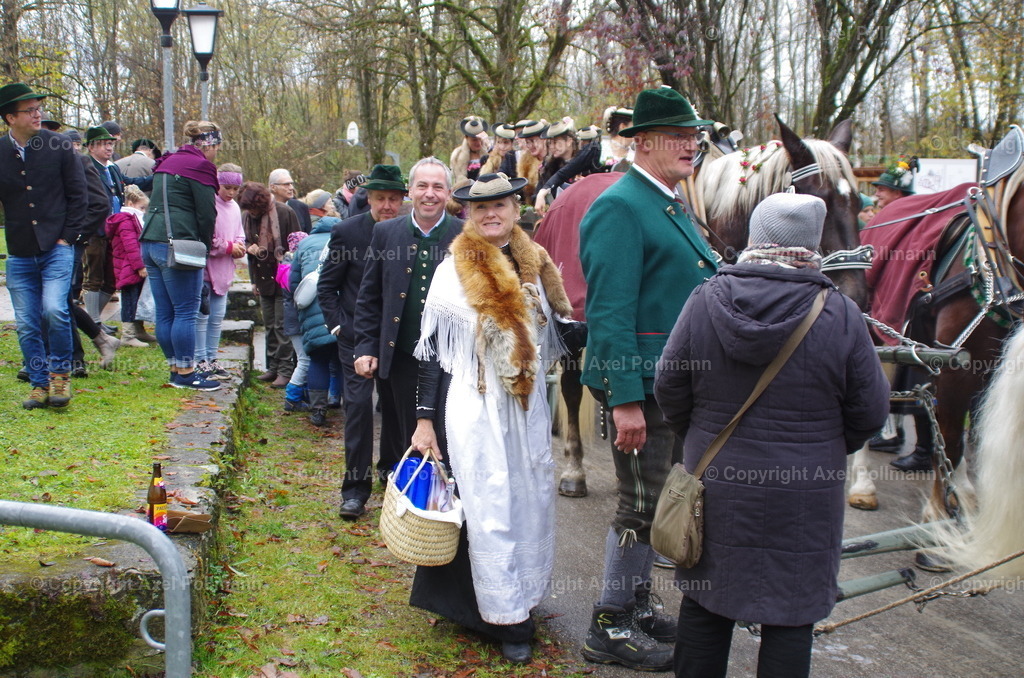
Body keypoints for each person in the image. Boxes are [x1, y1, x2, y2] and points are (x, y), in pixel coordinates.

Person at [654, 192, 889, 678]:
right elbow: (869, 412)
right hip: (806, 493)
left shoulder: (705, 298)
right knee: (792, 615)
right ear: (813, 243)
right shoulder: (840, 314)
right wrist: (820, 449)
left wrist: (700, 436)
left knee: (705, 601)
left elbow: (669, 385)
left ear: (755, 237)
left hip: (715, 482)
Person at [578, 87, 719, 671]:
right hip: (641, 387)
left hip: (671, 386)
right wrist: (625, 402)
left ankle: (633, 603)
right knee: (639, 504)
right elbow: (608, 311)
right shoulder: (621, 206)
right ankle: (608, 623)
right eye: (678, 137)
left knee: (658, 500)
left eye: (694, 136)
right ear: (643, 143)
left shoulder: (665, 202)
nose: (692, 145)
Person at [408, 172, 574, 664]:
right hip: (475, 402)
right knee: (490, 502)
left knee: (530, 497)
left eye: (500, 204)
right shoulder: (452, 270)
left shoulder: (534, 262)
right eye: (481, 208)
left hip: (525, 406)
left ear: (515, 207)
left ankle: (522, 596)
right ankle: (504, 619)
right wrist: (424, 420)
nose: (491, 214)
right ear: (468, 215)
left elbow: (551, 335)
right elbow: (431, 353)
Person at [353, 157, 462, 479]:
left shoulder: (465, 235)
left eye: (438, 187)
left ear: (449, 192)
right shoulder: (386, 232)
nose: (430, 194)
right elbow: (369, 296)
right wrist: (365, 346)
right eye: (423, 186)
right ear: (411, 191)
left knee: (445, 432)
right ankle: (405, 499)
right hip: (399, 354)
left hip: (450, 360)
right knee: (403, 430)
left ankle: (445, 503)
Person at [317, 165, 406, 518]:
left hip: (397, 340)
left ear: (402, 200)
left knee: (396, 411)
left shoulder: (408, 233)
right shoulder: (347, 232)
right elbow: (327, 286)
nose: (386, 205)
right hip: (355, 339)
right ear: (367, 198)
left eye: (393, 199)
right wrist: (339, 327)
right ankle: (354, 489)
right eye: (380, 198)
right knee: (358, 411)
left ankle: (391, 470)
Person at [0, 82, 87, 408]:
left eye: (39, 108)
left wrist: (68, 237)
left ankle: (60, 377)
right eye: (30, 110)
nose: (38, 114)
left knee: (54, 309)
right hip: (20, 251)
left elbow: (79, 195)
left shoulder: (60, 145)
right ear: (11, 117)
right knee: (26, 322)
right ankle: (38, 384)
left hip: (57, 247)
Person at [139, 119, 222, 391]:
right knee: (186, 311)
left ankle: (176, 369)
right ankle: (187, 374)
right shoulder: (201, 166)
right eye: (217, 147)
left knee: (165, 311)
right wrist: (206, 247)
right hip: (178, 246)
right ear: (209, 144)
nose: (216, 153)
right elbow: (207, 214)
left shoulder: (169, 160)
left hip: (150, 241)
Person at [239, 181, 301, 388]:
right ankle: (272, 367)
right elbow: (246, 243)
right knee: (269, 324)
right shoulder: (247, 216)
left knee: (283, 326)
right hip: (262, 276)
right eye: (249, 209)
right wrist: (253, 278)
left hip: (284, 277)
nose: (252, 213)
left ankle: (285, 370)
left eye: (255, 208)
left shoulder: (285, 212)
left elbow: (297, 245)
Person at [195, 163, 246, 379]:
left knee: (217, 318)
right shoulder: (209, 204)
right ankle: (199, 360)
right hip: (207, 270)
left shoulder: (235, 207)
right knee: (201, 317)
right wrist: (227, 247)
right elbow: (208, 237)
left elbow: (240, 233)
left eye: (235, 189)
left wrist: (240, 246)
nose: (231, 193)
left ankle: (212, 357)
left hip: (225, 269)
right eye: (227, 188)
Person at [105, 185, 151, 348]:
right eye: (142, 207)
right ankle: (128, 334)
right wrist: (139, 266)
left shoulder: (131, 219)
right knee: (130, 299)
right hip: (129, 266)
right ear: (131, 204)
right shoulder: (126, 220)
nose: (144, 211)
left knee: (137, 298)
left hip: (130, 265)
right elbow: (131, 246)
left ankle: (138, 329)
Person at [269, 168, 313, 233]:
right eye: (286, 184)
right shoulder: (264, 208)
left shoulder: (301, 207)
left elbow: (309, 236)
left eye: (291, 184)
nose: (291, 188)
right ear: (273, 187)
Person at [450, 116, 489, 185]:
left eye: (480, 139)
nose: (478, 143)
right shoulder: (457, 155)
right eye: (474, 140)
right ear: (466, 138)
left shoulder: (488, 153)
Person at [516, 119, 547, 203]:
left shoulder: (554, 160)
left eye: (533, 141)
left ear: (544, 139)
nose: (530, 146)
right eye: (527, 142)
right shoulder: (525, 160)